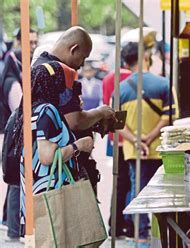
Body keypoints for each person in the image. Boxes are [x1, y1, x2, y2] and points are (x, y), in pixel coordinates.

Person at [12, 56, 94, 232]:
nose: (66, 90)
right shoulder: (47, 110)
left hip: (35, 198)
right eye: (62, 84)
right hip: (51, 197)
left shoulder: (32, 110)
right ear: (53, 85)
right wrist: (79, 145)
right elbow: (47, 156)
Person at [31, 27, 116, 194]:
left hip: (35, 166)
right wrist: (100, 112)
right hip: (57, 172)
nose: (83, 64)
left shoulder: (39, 67)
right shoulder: (60, 73)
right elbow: (74, 121)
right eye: (83, 57)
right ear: (73, 49)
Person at [117, 42, 176, 244]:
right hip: (159, 148)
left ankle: (140, 235)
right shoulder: (163, 84)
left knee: (138, 190)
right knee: (163, 192)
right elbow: (169, 116)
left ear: (126, 62)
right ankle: (161, 233)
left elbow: (117, 123)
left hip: (134, 151)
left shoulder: (120, 89)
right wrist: (150, 138)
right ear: (145, 57)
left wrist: (135, 140)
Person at [0, 28, 38, 241]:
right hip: (15, 134)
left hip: (16, 132)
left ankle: (12, 225)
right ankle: (14, 229)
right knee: (16, 179)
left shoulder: (21, 67)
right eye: (29, 42)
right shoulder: (12, 78)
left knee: (16, 180)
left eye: (35, 42)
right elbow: (20, 108)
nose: (32, 46)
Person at [102, 54, 133, 238]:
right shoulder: (132, 79)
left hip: (114, 136)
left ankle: (114, 224)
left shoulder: (107, 78)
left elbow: (106, 104)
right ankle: (128, 224)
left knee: (119, 182)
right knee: (131, 181)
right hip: (130, 136)